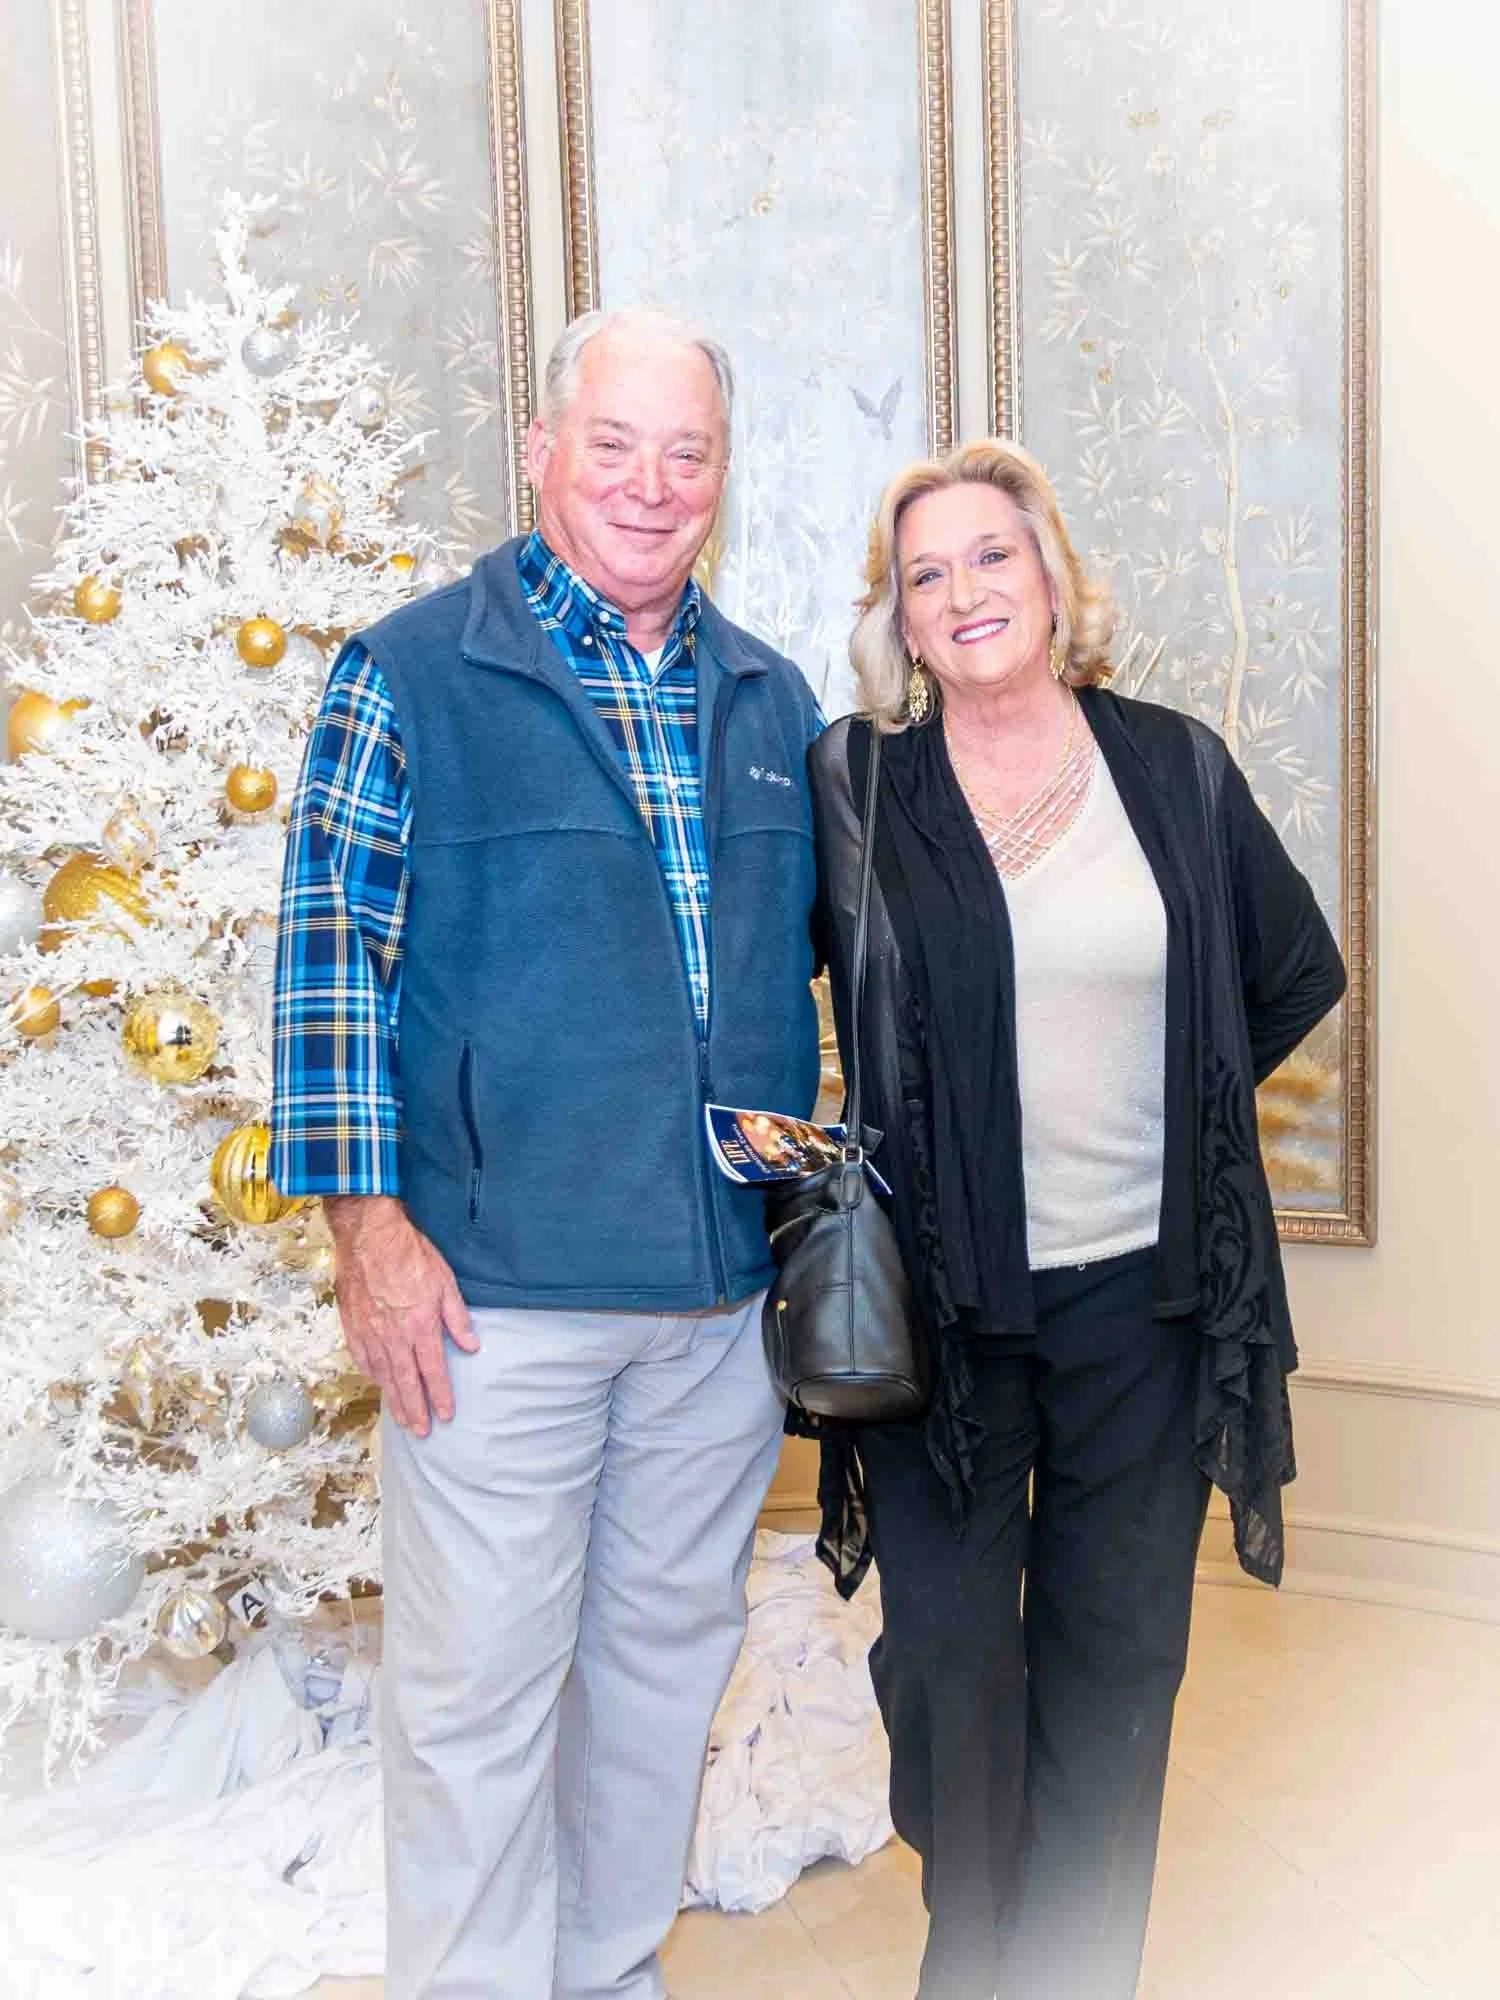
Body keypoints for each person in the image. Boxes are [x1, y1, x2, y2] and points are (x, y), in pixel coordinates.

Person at [269, 306, 824, 1999]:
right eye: (615, 444)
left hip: (716, 1295)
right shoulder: (415, 671)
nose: (652, 487)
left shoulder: (766, 693)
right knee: (476, 1691)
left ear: (722, 474)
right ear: (543, 448)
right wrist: (370, 1233)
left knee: (664, 1663)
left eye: (688, 452)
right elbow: (326, 956)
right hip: (488, 1295)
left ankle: (603, 1967)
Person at [806, 438, 1346, 1999]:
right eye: (928, 573)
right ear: (899, 621)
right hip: (947, 1314)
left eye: (993, 556)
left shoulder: (1171, 767)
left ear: (1051, 580)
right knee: (956, 1675)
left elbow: (1293, 966)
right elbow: (765, 993)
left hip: (1147, 1311)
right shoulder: (860, 791)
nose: (965, 591)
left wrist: (1188, 1094)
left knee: (1116, 1677)